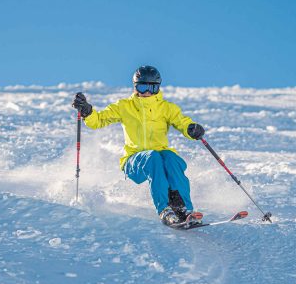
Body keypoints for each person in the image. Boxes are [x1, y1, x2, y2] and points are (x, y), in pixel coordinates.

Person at [71, 65, 205, 228]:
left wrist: (191, 128)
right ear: (135, 87)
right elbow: (98, 120)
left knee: (171, 158)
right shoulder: (124, 106)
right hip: (134, 161)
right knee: (152, 157)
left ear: (158, 87)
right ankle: (164, 209)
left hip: (160, 157)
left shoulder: (166, 108)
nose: (147, 92)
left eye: (152, 87)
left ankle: (183, 208)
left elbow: (182, 122)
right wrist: (87, 111)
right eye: (142, 87)